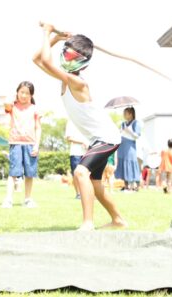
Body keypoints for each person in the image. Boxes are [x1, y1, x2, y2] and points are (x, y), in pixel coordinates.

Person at [33, 23, 127, 231]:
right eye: (64, 54)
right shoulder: (64, 79)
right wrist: (56, 40)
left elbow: (46, 61)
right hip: (98, 139)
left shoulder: (78, 83)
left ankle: (87, 223)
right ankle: (118, 220)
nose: (64, 60)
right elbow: (37, 59)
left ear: (81, 64)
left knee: (80, 173)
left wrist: (47, 32)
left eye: (70, 57)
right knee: (95, 184)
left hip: (108, 138)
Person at [1, 81, 42, 209]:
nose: (24, 95)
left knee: (29, 173)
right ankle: (8, 199)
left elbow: (38, 128)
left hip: (30, 143)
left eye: (27, 93)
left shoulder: (35, 108)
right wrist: (13, 97)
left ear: (31, 95)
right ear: (17, 93)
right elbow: (6, 103)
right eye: (21, 92)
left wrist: (36, 145)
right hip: (16, 142)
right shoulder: (12, 107)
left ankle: (28, 199)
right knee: (13, 172)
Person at [115, 107, 141, 192]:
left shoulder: (135, 123)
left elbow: (137, 135)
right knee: (123, 164)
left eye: (125, 113)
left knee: (131, 164)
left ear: (131, 114)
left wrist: (128, 131)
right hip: (122, 146)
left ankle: (134, 186)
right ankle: (126, 186)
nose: (124, 115)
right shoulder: (123, 124)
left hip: (130, 146)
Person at [65, 120, 88, 199]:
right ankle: (78, 194)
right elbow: (69, 138)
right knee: (76, 173)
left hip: (86, 152)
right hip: (75, 152)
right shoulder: (71, 122)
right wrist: (82, 142)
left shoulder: (86, 121)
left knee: (87, 174)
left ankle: (87, 193)